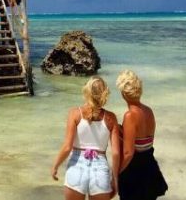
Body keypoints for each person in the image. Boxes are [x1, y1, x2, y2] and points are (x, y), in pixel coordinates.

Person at [51, 76, 120, 200]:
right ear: (105, 94)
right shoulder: (111, 118)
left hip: (76, 168)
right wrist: (115, 178)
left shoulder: (75, 113)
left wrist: (55, 166)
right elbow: (115, 153)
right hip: (100, 171)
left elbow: (67, 147)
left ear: (86, 92)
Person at [116, 70, 168, 200]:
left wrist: (116, 173)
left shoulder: (130, 115)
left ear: (123, 93)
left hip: (134, 172)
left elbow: (129, 153)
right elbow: (144, 142)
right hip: (149, 168)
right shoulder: (148, 111)